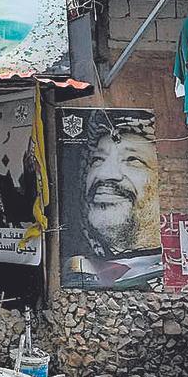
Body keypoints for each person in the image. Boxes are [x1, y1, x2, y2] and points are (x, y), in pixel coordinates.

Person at [62, 112, 163, 290]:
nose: (105, 174)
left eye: (132, 160)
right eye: (97, 159)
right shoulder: (76, 269)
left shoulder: (161, 272)